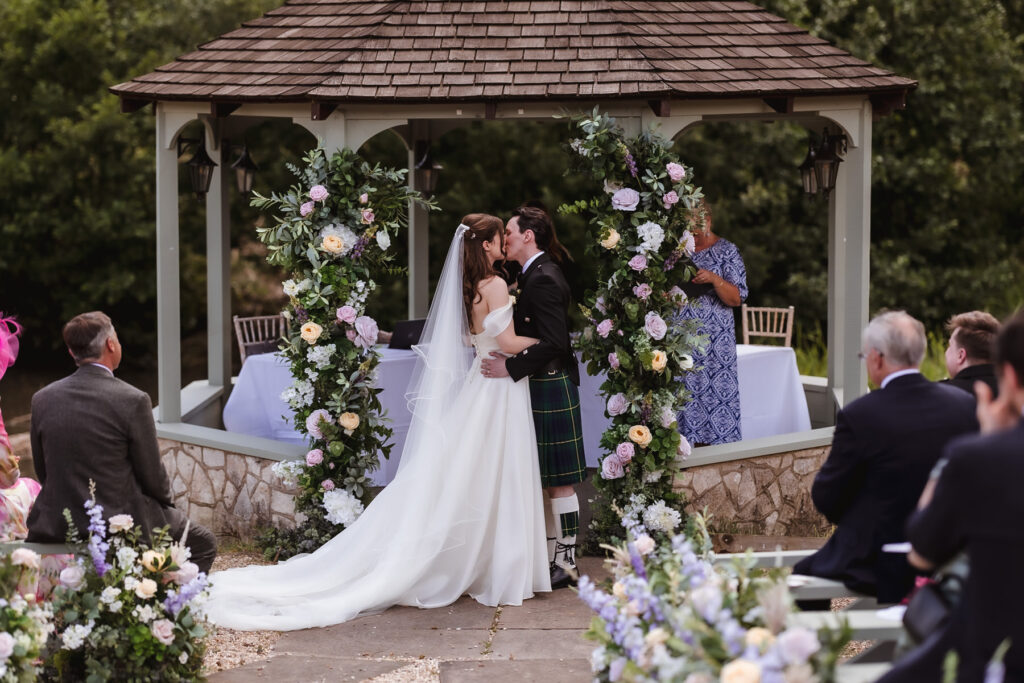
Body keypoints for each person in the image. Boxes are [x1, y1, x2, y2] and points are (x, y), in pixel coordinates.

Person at [206, 215, 551, 630]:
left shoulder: (471, 288)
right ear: (484, 245)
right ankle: (498, 564)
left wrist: (492, 345)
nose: (501, 244)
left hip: (483, 380)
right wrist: (550, 343)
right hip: (498, 388)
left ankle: (481, 557)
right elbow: (510, 343)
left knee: (471, 469)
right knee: (496, 469)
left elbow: (471, 338)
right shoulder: (495, 286)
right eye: (497, 239)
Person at [793, 311, 977, 604]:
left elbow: (828, 498)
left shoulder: (860, 414)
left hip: (877, 554)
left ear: (877, 358)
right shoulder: (964, 405)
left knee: (800, 576)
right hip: (947, 549)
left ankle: (817, 648)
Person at [881, 310, 1024, 682]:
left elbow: (922, 551)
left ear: (1008, 373)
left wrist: (981, 448)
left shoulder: (976, 456)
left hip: (992, 653)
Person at [26, 312, 217, 573]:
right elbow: (151, 475)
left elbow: (43, 469)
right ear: (111, 345)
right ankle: (158, 603)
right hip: (119, 518)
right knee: (204, 543)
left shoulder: (42, 399)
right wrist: (166, 506)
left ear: (72, 352)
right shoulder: (132, 399)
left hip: (57, 519)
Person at [480, 205, 586, 589]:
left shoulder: (543, 278)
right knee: (542, 476)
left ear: (529, 236)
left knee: (560, 480)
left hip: (550, 382)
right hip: (541, 382)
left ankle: (569, 561)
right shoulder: (532, 274)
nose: (504, 237)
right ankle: (551, 556)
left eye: (509, 231)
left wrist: (510, 367)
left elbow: (556, 342)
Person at [672, 200, 748, 446]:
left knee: (714, 399)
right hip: (682, 343)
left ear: (709, 221)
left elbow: (737, 298)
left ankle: (717, 453)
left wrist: (715, 279)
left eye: (697, 226)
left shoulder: (727, 250)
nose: (693, 232)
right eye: (688, 227)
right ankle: (682, 449)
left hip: (716, 347)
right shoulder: (679, 252)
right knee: (683, 396)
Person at [941, 310, 1000, 398]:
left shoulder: (941, 394)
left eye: (950, 345)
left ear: (960, 355)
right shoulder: (1014, 393)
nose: (946, 352)